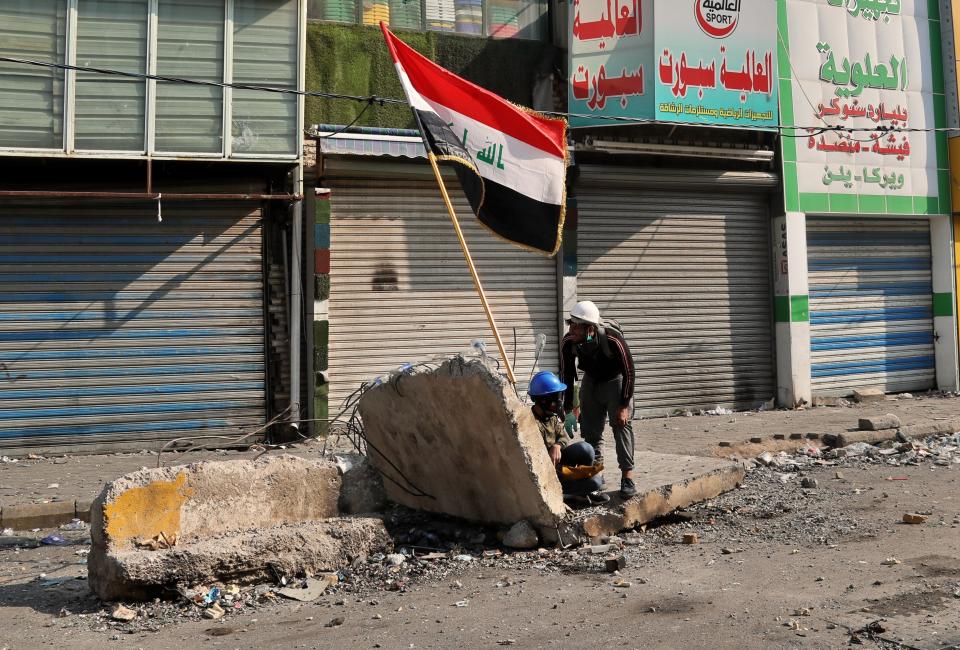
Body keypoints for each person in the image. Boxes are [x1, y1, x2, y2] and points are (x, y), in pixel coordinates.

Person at [560, 300, 637, 498]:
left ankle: (627, 477)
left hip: (616, 381)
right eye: (572, 325)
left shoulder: (613, 339)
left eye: (578, 327)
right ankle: (597, 475)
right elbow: (567, 375)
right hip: (592, 381)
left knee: (621, 426)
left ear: (591, 328)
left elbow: (629, 372)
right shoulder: (569, 342)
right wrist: (569, 407)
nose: (573, 331)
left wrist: (623, 405)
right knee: (591, 430)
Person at [528, 371, 608, 504]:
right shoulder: (529, 423)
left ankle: (582, 492)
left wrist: (557, 446)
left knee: (586, 448)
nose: (559, 401)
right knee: (595, 480)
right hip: (546, 472)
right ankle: (567, 493)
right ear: (542, 400)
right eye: (555, 397)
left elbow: (563, 436)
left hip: (558, 464)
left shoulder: (551, 417)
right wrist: (569, 472)